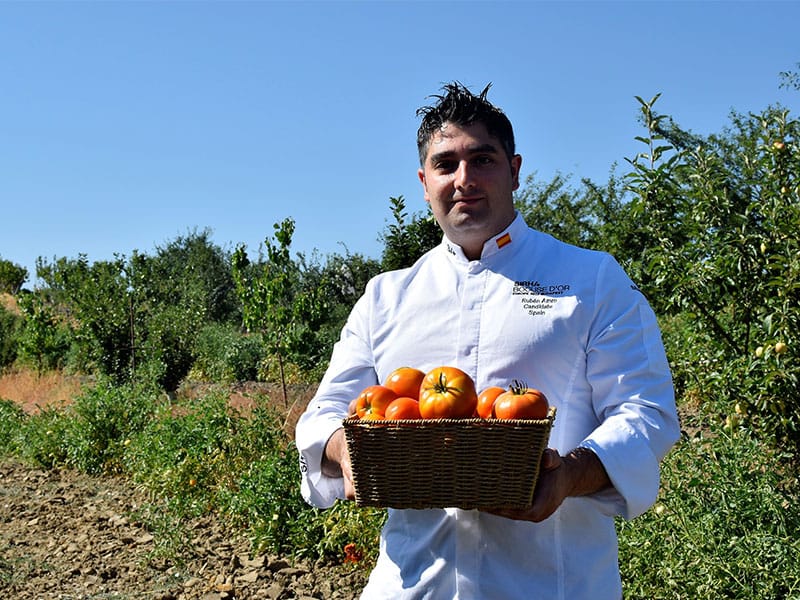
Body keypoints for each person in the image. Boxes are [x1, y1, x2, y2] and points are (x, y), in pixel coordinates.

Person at [295, 82, 680, 599]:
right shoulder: (385, 297)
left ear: (515, 170)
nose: (464, 180)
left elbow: (646, 412)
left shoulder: (590, 281)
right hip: (413, 585)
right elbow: (324, 416)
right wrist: (351, 453)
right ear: (423, 180)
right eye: (446, 164)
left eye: (482, 160)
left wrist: (568, 475)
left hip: (552, 585)